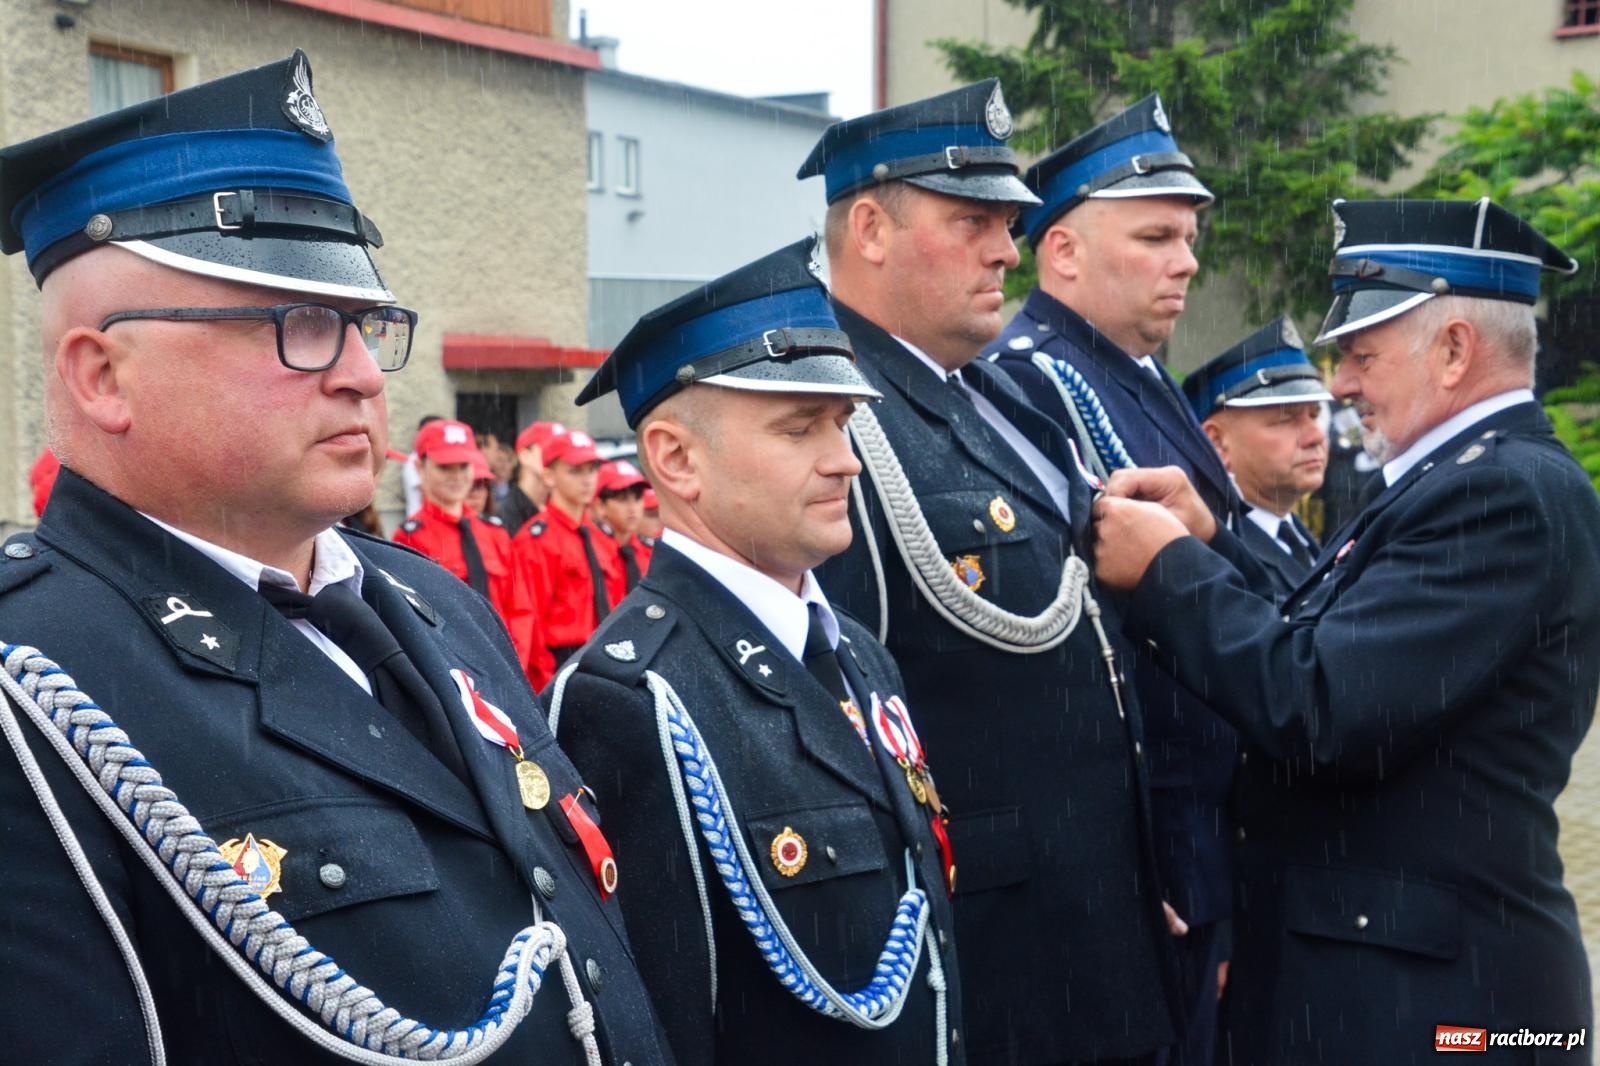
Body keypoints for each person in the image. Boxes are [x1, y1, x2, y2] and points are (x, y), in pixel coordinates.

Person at [0, 52, 672, 1065]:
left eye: (362, 326)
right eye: (299, 325)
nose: (362, 376)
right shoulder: (35, 686)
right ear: (103, 376)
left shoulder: (431, 600)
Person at [1092, 198, 1599, 1064]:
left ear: (1453, 350)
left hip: (1443, 1011)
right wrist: (1217, 544)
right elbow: (1336, 636)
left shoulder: (1499, 494)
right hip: (1408, 981)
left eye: (1361, 354)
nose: (1338, 387)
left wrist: (1168, 573)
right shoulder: (1457, 477)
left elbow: (1325, 704)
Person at [800, 80, 1178, 1064]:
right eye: (973, 221)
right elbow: (834, 737)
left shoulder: (1004, 395)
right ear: (871, 228)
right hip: (994, 964)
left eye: (1009, 224)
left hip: (1097, 925)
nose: (1007, 252)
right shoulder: (829, 417)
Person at [546, 237, 964, 1065]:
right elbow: (662, 1024)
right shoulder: (630, 699)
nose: (845, 459)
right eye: (800, 427)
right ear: (676, 458)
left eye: (842, 422)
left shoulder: (861, 661)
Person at [984, 95, 1232, 1065]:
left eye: (1189, 237)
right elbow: (1094, 653)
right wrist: (1152, 851)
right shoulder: (1042, 383)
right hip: (1155, 849)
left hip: (1201, 839)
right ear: (1064, 254)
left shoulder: (1134, 372)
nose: (1187, 261)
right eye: (1157, 235)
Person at [394, 418, 552, 685]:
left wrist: (510, 665)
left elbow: (521, 608)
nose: (456, 476)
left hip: (507, 668)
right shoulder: (412, 536)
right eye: (445, 467)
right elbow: (416, 622)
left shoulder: (495, 533)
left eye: (463, 466)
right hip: (454, 676)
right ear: (421, 468)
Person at [1182, 317, 1332, 596]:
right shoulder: (1214, 556)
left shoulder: (1299, 540)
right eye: (1285, 420)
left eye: (1315, 414)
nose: (1316, 436)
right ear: (1217, 443)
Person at [514, 428, 616, 666]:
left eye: (592, 470)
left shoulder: (601, 536)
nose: (587, 479)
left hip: (604, 654)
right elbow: (530, 622)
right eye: (575, 471)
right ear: (549, 476)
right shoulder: (535, 540)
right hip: (562, 660)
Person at [590, 459, 651, 593]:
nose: (632, 508)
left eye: (637, 498)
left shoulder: (647, 552)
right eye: (622, 499)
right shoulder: (589, 551)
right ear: (601, 506)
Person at [501, 420, 565, 536]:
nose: (557, 457)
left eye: (562, 450)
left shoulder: (564, 508)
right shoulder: (505, 515)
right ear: (525, 456)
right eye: (549, 449)